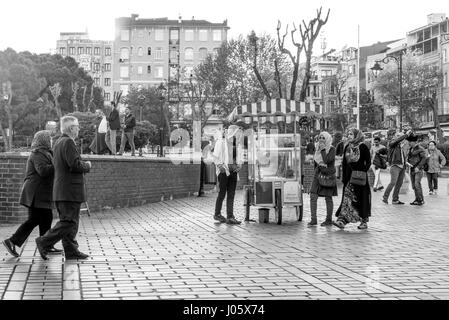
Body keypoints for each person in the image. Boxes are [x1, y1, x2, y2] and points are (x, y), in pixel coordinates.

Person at [35, 116, 92, 260]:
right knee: (69, 222)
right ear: (71, 128)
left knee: (70, 221)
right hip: (69, 191)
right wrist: (87, 165)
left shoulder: (59, 142)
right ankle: (44, 241)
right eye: (77, 126)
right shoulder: (68, 142)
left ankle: (71, 250)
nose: (79, 128)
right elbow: (74, 165)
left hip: (62, 190)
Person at [2, 130, 62, 258]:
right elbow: (43, 171)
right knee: (35, 219)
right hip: (36, 193)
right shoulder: (37, 154)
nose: (51, 140)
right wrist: (57, 163)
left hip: (42, 193)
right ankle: (12, 241)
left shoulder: (47, 153)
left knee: (46, 218)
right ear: (44, 140)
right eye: (49, 138)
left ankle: (46, 245)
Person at [334, 128, 371, 230]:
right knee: (347, 199)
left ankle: (364, 221)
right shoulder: (347, 147)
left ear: (356, 135)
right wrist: (344, 178)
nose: (349, 136)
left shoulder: (363, 146)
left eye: (351, 134)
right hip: (349, 178)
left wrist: (362, 171)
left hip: (360, 178)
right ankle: (342, 221)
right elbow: (345, 164)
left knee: (361, 198)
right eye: (348, 134)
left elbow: (368, 161)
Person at [212, 124, 243, 225]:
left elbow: (238, 157)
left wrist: (239, 165)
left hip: (233, 171)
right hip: (224, 171)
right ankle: (217, 214)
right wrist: (220, 167)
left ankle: (230, 217)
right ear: (232, 132)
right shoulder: (221, 142)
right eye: (237, 132)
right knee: (222, 193)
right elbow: (215, 156)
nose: (238, 134)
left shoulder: (236, 144)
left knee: (231, 194)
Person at [308, 131, 338, 227]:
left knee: (328, 198)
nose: (321, 139)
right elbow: (316, 162)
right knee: (313, 195)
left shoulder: (332, 149)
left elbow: (327, 160)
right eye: (320, 137)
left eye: (323, 138)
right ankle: (313, 219)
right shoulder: (317, 148)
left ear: (328, 139)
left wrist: (323, 150)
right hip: (318, 174)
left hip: (328, 176)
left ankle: (328, 220)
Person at [382, 129, 413, 205]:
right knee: (393, 182)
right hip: (395, 166)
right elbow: (397, 141)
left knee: (399, 183)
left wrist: (406, 164)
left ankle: (395, 199)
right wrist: (405, 135)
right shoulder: (392, 143)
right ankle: (385, 198)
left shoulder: (400, 146)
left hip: (402, 166)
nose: (400, 137)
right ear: (394, 136)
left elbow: (402, 157)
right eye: (398, 135)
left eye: (400, 135)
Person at [406, 134, 427, 206]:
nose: (409, 143)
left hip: (419, 169)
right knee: (414, 186)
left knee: (417, 184)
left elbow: (424, 158)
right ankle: (417, 199)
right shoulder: (410, 149)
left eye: (410, 141)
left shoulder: (420, 148)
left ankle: (421, 200)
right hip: (412, 168)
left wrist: (418, 167)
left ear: (414, 142)